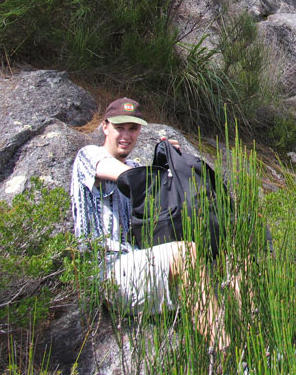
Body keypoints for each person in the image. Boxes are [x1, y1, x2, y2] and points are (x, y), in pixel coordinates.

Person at [70, 97, 226, 347]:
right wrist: (161, 170)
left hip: (138, 267)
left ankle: (252, 349)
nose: (126, 135)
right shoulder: (89, 155)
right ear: (105, 126)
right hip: (107, 273)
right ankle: (224, 350)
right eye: (120, 127)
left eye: (133, 128)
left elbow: (153, 201)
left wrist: (166, 163)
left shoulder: (134, 165)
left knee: (231, 258)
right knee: (185, 253)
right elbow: (128, 178)